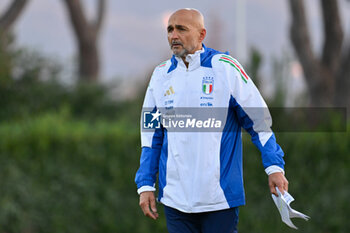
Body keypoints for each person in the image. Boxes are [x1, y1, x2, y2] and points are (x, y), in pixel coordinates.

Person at [135, 8, 288, 233]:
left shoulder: (225, 68)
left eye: (181, 29)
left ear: (201, 35)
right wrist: (146, 184)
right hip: (175, 198)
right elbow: (151, 134)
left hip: (218, 197)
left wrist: (274, 166)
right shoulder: (160, 76)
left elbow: (259, 121)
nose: (173, 35)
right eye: (169, 29)